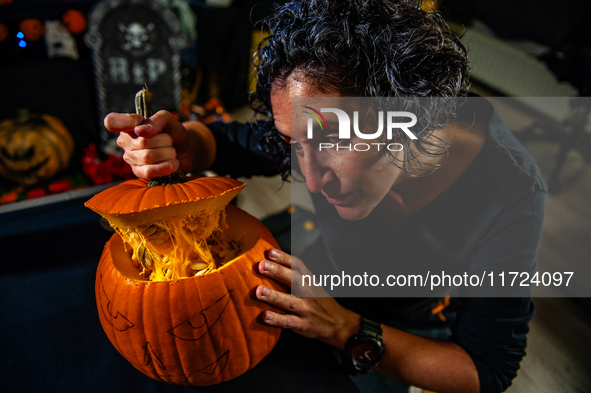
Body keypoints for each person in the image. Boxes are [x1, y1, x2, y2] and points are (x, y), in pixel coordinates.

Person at [104, 1, 546, 392]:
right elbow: (232, 142)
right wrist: (182, 144)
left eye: (331, 139)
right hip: (324, 272)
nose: (311, 180)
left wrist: (344, 328)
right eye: (294, 145)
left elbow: (485, 371)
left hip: (402, 326)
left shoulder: (510, 189)